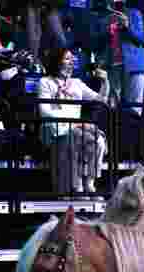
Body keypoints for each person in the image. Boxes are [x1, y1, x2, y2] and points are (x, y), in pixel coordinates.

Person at [37, 46, 110, 195]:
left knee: (98, 140)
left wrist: (105, 82)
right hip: (55, 128)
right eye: (67, 58)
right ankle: (76, 186)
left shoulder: (77, 83)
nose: (71, 62)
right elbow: (44, 111)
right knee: (76, 136)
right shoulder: (45, 82)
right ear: (57, 61)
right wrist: (73, 122)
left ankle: (90, 181)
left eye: (72, 59)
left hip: (75, 127)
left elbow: (101, 99)